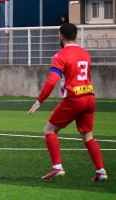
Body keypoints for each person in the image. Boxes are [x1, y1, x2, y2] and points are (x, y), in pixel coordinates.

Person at [27, 23, 107, 182]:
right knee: (88, 136)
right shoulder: (85, 54)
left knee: (49, 130)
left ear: (61, 36)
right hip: (89, 98)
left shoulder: (60, 56)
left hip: (73, 99)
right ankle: (101, 171)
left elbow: (52, 81)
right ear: (76, 36)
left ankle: (57, 167)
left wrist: (39, 101)